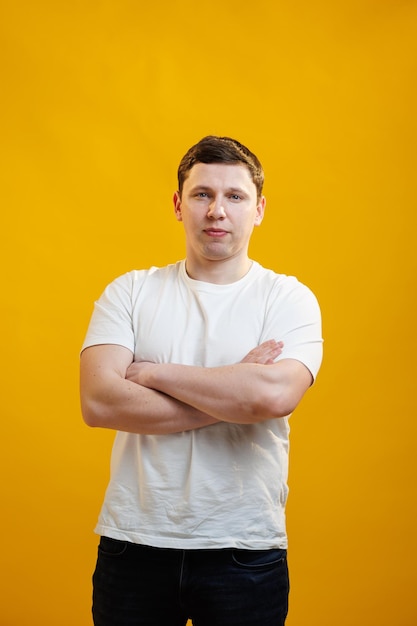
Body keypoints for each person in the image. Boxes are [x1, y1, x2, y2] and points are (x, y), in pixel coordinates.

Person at [80, 135, 323, 626]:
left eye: (235, 196)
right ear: (178, 204)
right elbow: (100, 403)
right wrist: (234, 390)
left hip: (244, 550)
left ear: (258, 210)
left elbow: (273, 396)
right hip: (134, 543)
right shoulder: (129, 292)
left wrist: (151, 373)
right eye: (202, 194)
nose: (217, 210)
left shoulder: (288, 299)